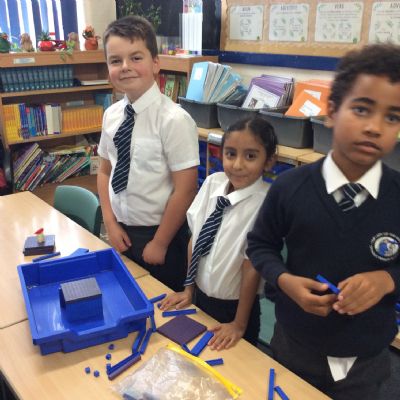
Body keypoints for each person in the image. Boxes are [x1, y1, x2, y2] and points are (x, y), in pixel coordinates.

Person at [247, 43, 400, 400]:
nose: (375, 127)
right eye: (361, 109)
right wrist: (284, 281)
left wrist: (387, 279)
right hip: (295, 346)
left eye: (392, 117)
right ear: (331, 111)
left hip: (367, 357)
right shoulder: (289, 188)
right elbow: (260, 245)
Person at [97, 15, 199, 292]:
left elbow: (186, 189)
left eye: (136, 57)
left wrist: (161, 242)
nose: (125, 67)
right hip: (120, 230)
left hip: (161, 235)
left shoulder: (174, 120)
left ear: (155, 63)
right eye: (115, 60)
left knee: (161, 304)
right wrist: (110, 223)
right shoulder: (111, 115)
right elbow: (104, 171)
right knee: (128, 294)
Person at [160, 117, 278, 350]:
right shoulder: (213, 183)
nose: (237, 165)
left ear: (269, 161)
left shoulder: (267, 203)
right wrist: (188, 289)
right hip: (200, 297)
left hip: (237, 309)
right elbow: (195, 239)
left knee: (235, 365)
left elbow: (251, 268)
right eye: (230, 154)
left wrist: (239, 324)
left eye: (250, 156)